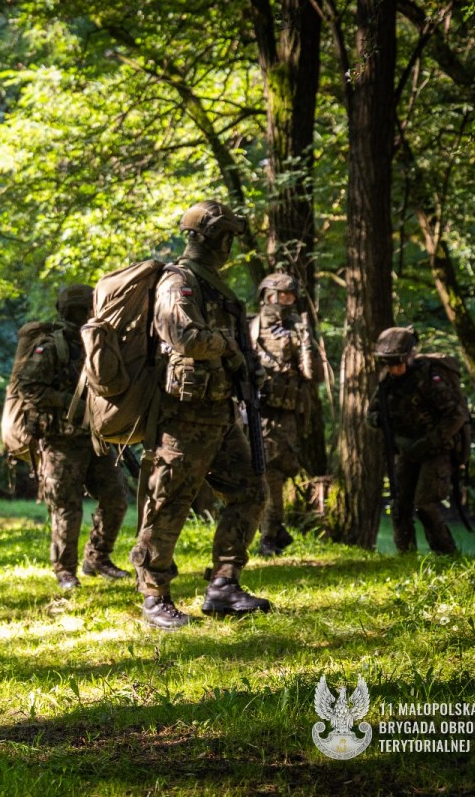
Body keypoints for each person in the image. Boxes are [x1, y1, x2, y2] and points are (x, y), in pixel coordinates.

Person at [129, 200, 272, 630]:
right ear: (206, 238)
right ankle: (155, 597)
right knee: (168, 502)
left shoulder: (217, 286)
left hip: (220, 412)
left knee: (250, 490)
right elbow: (184, 336)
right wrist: (227, 344)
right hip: (183, 415)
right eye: (224, 237)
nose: (229, 246)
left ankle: (224, 585)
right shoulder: (179, 281)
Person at [13, 284, 130, 591]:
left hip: (95, 437)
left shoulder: (97, 342)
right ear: (81, 310)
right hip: (61, 441)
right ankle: (65, 571)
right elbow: (29, 389)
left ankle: (97, 559)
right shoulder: (51, 346)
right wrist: (70, 402)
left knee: (115, 497)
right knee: (67, 506)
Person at [368, 327, 469, 555]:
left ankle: (447, 556)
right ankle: (406, 557)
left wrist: (428, 441)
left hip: (436, 451)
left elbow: (456, 417)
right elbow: (371, 414)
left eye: (398, 363)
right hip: (407, 451)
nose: (394, 369)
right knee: (399, 506)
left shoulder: (430, 377)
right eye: (389, 364)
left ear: (409, 357)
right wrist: (382, 421)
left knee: (425, 505)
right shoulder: (387, 382)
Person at [249, 272, 320, 556]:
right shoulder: (251, 329)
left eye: (291, 296)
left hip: (286, 415)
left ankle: (272, 532)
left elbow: (311, 374)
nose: (286, 302)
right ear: (268, 296)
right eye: (281, 296)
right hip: (256, 412)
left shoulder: (296, 330)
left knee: (275, 472)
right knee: (264, 474)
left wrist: (305, 339)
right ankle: (269, 534)